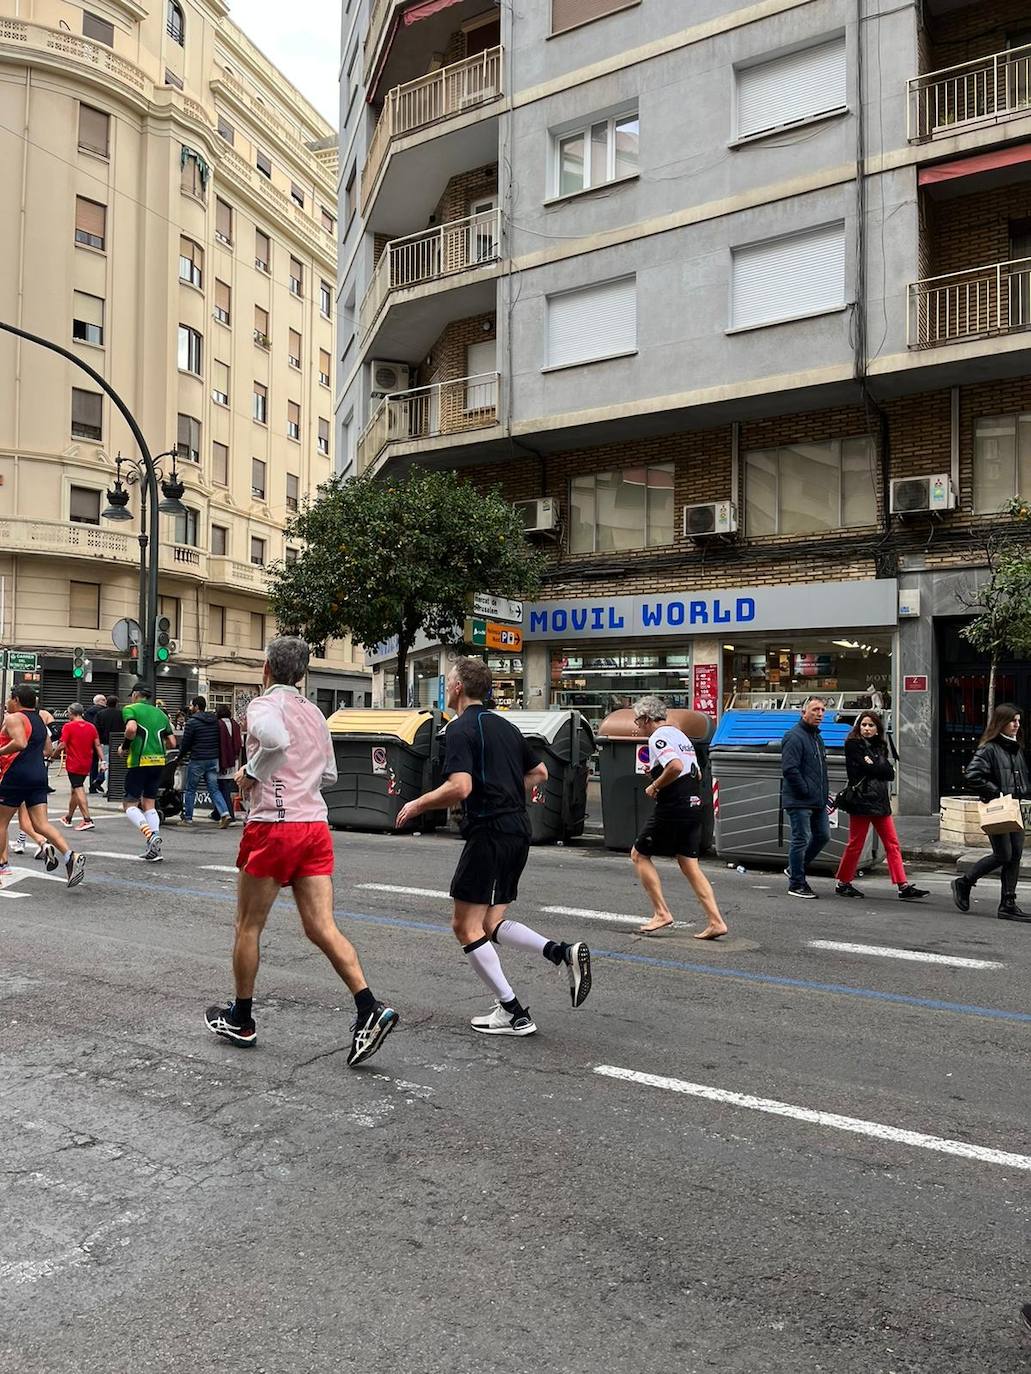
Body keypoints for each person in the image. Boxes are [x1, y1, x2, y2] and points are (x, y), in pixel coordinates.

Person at [205, 636, 398, 1067]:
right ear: (304, 674)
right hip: (314, 826)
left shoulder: (263, 706)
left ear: (267, 669)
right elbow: (328, 773)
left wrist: (250, 773)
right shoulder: (316, 714)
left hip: (274, 826)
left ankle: (241, 1018)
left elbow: (274, 742)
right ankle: (368, 1006)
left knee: (247, 925)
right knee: (321, 927)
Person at [395, 656, 591, 1038]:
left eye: (448, 680)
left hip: (489, 832)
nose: (447, 686)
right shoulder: (506, 726)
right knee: (489, 923)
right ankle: (561, 952)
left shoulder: (459, 729)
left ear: (456, 688)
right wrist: (504, 788)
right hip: (518, 830)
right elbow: (540, 773)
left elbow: (461, 787)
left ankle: (513, 1012)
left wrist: (417, 803)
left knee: (464, 926)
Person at [628, 696, 728, 939]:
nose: (636, 726)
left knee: (639, 854)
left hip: (674, 805)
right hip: (693, 803)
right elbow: (698, 770)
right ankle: (716, 921)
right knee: (688, 863)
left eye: (637, 720)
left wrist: (655, 787)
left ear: (646, 718)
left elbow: (673, 766)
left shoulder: (658, 737)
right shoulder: (680, 736)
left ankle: (661, 912)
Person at [833, 712, 928, 902]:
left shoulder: (881, 746)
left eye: (871, 725)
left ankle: (903, 885)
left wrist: (876, 765)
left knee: (892, 844)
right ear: (858, 726)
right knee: (855, 844)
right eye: (864, 725)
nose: (867, 729)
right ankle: (843, 882)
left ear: (878, 729)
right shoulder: (853, 744)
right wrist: (878, 766)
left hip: (880, 802)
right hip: (861, 801)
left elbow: (888, 773)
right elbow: (873, 769)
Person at [0, 685, 85, 887]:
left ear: (17, 700)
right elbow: (48, 750)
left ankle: (2, 864)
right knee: (41, 824)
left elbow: (20, 743)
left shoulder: (13, 718)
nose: (7, 703)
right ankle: (70, 856)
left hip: (15, 774)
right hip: (39, 775)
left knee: (1, 823)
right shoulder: (39, 720)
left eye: (9, 699)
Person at [952, 704, 1030, 921]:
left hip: (1014, 807)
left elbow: (1019, 777)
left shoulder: (1015, 747)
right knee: (1003, 854)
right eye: (1012, 721)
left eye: (1018, 721)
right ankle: (964, 882)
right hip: (999, 808)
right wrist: (997, 792)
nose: (1016, 725)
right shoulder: (990, 748)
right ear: (1000, 723)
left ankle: (1008, 904)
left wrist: (1023, 792)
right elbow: (972, 776)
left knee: (1015, 856)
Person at [781, 697, 833, 899]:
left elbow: (820, 769)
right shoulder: (794, 736)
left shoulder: (816, 737)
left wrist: (823, 794)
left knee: (823, 835)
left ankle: (795, 869)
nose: (820, 713)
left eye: (822, 710)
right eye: (815, 710)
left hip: (817, 799)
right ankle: (796, 883)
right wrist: (804, 790)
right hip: (799, 799)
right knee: (800, 839)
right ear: (804, 712)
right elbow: (790, 769)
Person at [119, 687, 176, 862]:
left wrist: (125, 748)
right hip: (159, 762)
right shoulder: (161, 714)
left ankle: (150, 835)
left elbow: (130, 729)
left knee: (129, 804)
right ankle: (154, 848)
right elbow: (172, 742)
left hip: (139, 761)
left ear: (136, 695)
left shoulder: (130, 709)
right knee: (149, 804)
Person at [178, 696, 232, 827]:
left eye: (191, 706)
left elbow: (186, 743)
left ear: (196, 707)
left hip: (197, 759)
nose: (190, 708)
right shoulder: (215, 721)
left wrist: (179, 757)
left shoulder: (192, 722)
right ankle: (225, 813)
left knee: (190, 789)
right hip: (213, 760)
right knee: (214, 789)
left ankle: (188, 818)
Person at [53, 701, 102, 831]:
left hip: (74, 762)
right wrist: (103, 760)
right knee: (75, 789)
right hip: (87, 762)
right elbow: (97, 745)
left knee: (78, 787)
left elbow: (62, 744)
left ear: (71, 713)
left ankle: (87, 819)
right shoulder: (91, 726)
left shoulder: (68, 726)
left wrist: (53, 755)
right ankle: (68, 817)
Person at [213, 703, 243, 820]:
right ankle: (217, 813)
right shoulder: (235, 724)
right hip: (233, 760)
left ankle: (229, 813)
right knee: (225, 786)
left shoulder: (218, 724)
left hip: (222, 760)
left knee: (222, 787)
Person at [96, 694, 122, 797]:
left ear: (107, 703)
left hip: (105, 743)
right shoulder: (121, 714)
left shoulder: (100, 714)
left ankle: (109, 789)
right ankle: (117, 787)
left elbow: (97, 728)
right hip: (119, 742)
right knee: (118, 766)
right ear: (117, 704)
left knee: (106, 765)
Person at [83, 694, 107, 793]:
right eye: (104, 700)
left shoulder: (88, 712)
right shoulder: (103, 712)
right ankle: (98, 780)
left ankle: (92, 785)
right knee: (105, 761)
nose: (106, 701)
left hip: (90, 740)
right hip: (102, 740)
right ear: (100, 701)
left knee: (93, 763)